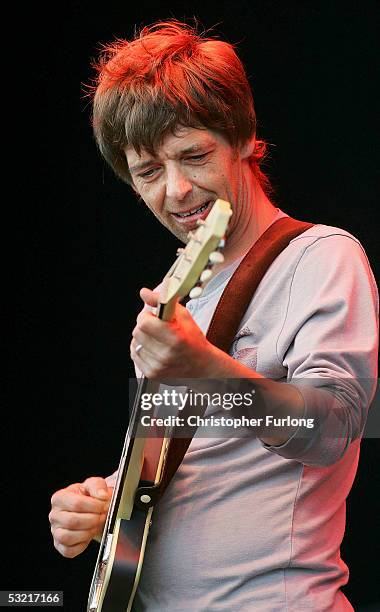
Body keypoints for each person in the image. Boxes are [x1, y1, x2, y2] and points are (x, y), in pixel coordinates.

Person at [49, 20, 378, 611]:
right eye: (148, 172)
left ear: (246, 137)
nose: (175, 190)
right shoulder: (181, 293)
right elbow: (189, 475)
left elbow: (335, 429)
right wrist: (103, 507)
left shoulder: (321, 255)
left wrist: (206, 370)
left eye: (193, 155)